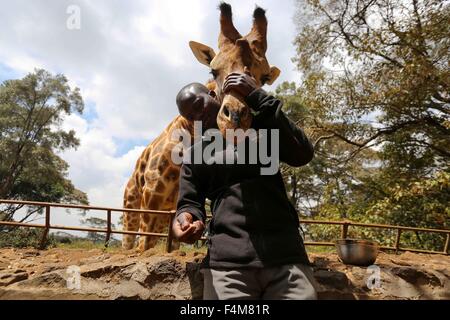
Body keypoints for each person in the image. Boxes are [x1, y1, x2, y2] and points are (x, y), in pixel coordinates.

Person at [172, 73, 318, 300]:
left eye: (199, 105)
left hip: (286, 259)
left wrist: (257, 95)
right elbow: (189, 204)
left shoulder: (262, 128)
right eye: (191, 117)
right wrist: (185, 221)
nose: (198, 115)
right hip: (227, 267)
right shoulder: (194, 155)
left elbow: (303, 154)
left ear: (213, 95)